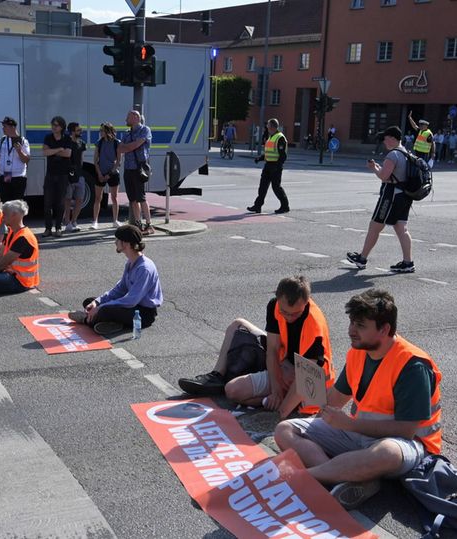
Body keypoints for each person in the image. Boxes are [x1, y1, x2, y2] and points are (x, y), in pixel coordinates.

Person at [274, 289, 442, 510]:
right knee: (284, 430)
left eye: (360, 325)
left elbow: (406, 430)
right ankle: (345, 476)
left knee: (387, 454)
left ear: (384, 329)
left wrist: (349, 424)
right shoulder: (358, 351)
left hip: (408, 444)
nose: (351, 330)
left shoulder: (413, 365)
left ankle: (305, 477)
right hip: (359, 434)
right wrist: (317, 414)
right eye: (352, 322)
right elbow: (336, 398)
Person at [178, 275, 334, 417]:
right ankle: (217, 376)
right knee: (232, 388)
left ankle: (279, 403)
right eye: (284, 312)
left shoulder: (315, 325)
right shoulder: (274, 306)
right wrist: (276, 390)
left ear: (306, 302)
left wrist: (281, 413)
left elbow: (307, 377)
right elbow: (272, 351)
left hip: (310, 383)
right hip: (284, 365)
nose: (289, 318)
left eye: (295, 314)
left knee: (284, 407)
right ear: (277, 298)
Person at [68, 224, 163, 336]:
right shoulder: (130, 262)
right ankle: (111, 322)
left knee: (104, 311)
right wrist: (97, 302)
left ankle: (86, 320)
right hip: (131, 306)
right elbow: (120, 289)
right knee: (89, 302)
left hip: (143, 313)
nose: (115, 242)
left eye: (117, 239)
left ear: (126, 243)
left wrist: (101, 308)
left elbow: (131, 300)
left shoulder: (144, 268)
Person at [346, 126, 415, 273]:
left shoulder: (393, 155)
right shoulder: (407, 153)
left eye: (385, 138)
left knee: (375, 226)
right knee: (401, 228)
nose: (384, 141)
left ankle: (362, 258)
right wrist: (379, 168)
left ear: (392, 138)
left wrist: (374, 168)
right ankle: (408, 262)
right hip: (405, 195)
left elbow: (384, 176)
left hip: (390, 195)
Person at [118, 110, 154, 234]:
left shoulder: (145, 130)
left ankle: (149, 225)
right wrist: (129, 146)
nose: (125, 119)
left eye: (128, 117)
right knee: (132, 199)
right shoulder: (127, 133)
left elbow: (133, 146)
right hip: (128, 169)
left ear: (135, 118)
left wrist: (127, 147)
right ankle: (138, 224)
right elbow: (120, 148)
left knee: (141, 198)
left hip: (139, 168)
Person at [247, 118, 290, 214]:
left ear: (272, 127)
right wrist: (260, 158)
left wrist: (278, 166)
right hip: (268, 165)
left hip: (276, 166)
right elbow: (269, 152)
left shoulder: (280, 138)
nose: (267, 127)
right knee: (262, 187)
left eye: (268, 126)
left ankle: (285, 206)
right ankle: (257, 206)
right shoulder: (271, 137)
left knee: (276, 187)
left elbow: (283, 155)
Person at [42, 116, 73, 237]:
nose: (53, 127)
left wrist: (53, 150)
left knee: (60, 203)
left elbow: (68, 154)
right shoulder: (48, 137)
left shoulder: (67, 138)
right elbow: (44, 152)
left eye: (56, 125)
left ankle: (58, 227)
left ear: (61, 127)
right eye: (52, 124)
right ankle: (48, 228)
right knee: (47, 203)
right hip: (50, 174)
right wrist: (59, 149)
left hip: (63, 175)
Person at [0, 116, 30, 203]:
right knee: (6, 203)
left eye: (5, 126)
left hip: (18, 176)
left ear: (12, 127)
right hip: (6, 175)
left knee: (17, 205)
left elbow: (26, 160)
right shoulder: (2, 140)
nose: (3, 128)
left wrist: (19, 151)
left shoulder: (23, 141)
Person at [91, 122, 121, 229]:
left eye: (102, 131)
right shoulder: (99, 143)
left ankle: (115, 220)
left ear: (107, 131)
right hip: (101, 172)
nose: (100, 133)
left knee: (114, 197)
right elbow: (95, 160)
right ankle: (95, 221)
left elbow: (118, 161)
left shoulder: (117, 143)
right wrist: (99, 173)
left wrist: (110, 174)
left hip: (112, 173)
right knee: (98, 198)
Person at [62, 122, 88, 233]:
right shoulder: (66, 142)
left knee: (79, 199)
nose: (80, 131)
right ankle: (67, 222)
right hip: (68, 174)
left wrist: (80, 171)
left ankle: (74, 221)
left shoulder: (82, 143)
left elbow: (81, 159)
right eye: (78, 130)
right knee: (67, 200)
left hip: (79, 175)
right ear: (72, 131)